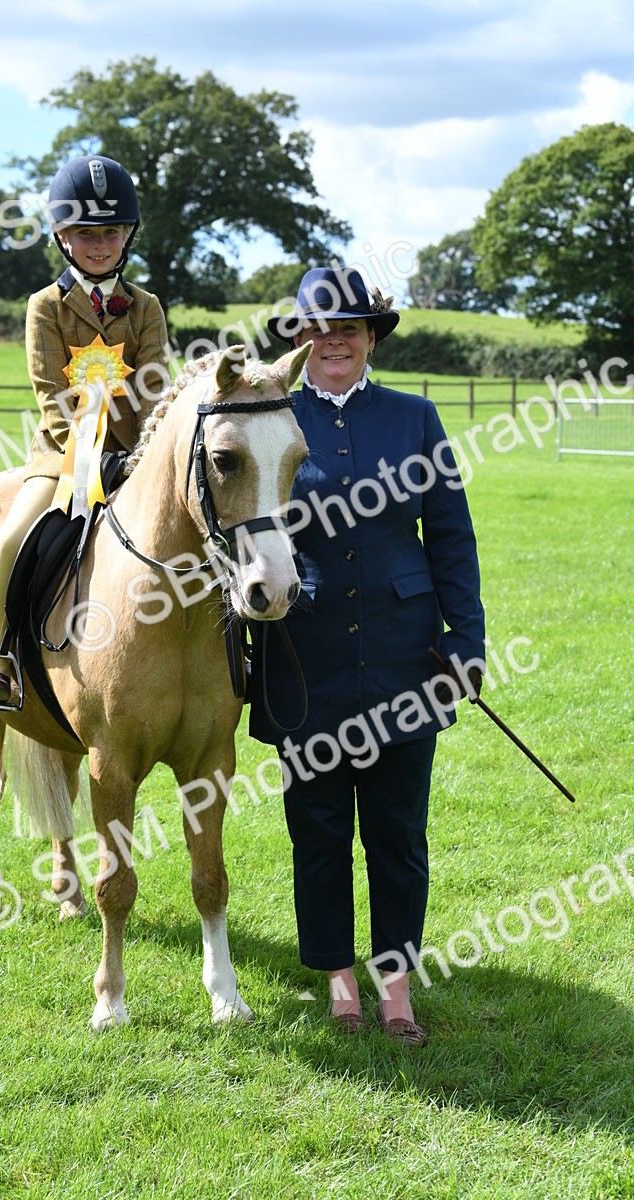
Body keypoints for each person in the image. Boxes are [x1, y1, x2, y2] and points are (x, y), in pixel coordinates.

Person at [249, 266, 485, 1043]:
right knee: (316, 832)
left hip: (403, 657)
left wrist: (466, 640)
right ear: (299, 340)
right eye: (317, 328)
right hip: (302, 653)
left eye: (348, 327)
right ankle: (339, 982)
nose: (332, 341)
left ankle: (397, 987)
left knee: (397, 833)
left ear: (371, 337)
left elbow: (450, 534)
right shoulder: (271, 417)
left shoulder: (416, 418)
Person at [0, 154, 169, 704]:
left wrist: (142, 453)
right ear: (62, 236)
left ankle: (231, 652)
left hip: (135, 458)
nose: (100, 244)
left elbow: (154, 387)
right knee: (12, 538)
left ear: (127, 235)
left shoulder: (146, 308)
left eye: (110, 232)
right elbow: (50, 393)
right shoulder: (45, 307)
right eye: (86, 234)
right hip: (61, 458)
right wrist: (85, 453)